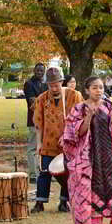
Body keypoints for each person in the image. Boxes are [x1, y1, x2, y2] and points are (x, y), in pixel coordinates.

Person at [62, 76, 112, 224]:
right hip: (88, 156)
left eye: (101, 87)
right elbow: (74, 133)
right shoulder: (79, 109)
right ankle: (94, 221)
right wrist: (89, 117)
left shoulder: (110, 106)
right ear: (87, 90)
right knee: (92, 187)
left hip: (109, 153)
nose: (98, 91)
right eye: (94, 87)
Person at [31, 67, 83, 213]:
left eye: (57, 84)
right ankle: (39, 202)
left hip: (68, 142)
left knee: (67, 172)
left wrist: (68, 135)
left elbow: (78, 119)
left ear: (62, 82)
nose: (54, 88)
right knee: (44, 171)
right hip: (48, 142)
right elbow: (38, 122)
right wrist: (39, 143)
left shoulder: (74, 95)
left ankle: (64, 202)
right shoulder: (41, 99)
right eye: (51, 85)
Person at [24, 63, 47, 184]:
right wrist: (45, 100)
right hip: (34, 120)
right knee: (33, 147)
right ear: (34, 70)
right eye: (38, 70)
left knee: (44, 147)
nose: (40, 72)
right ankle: (33, 174)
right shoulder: (29, 84)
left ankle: (43, 171)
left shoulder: (45, 84)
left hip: (47, 120)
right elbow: (33, 102)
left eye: (42, 71)